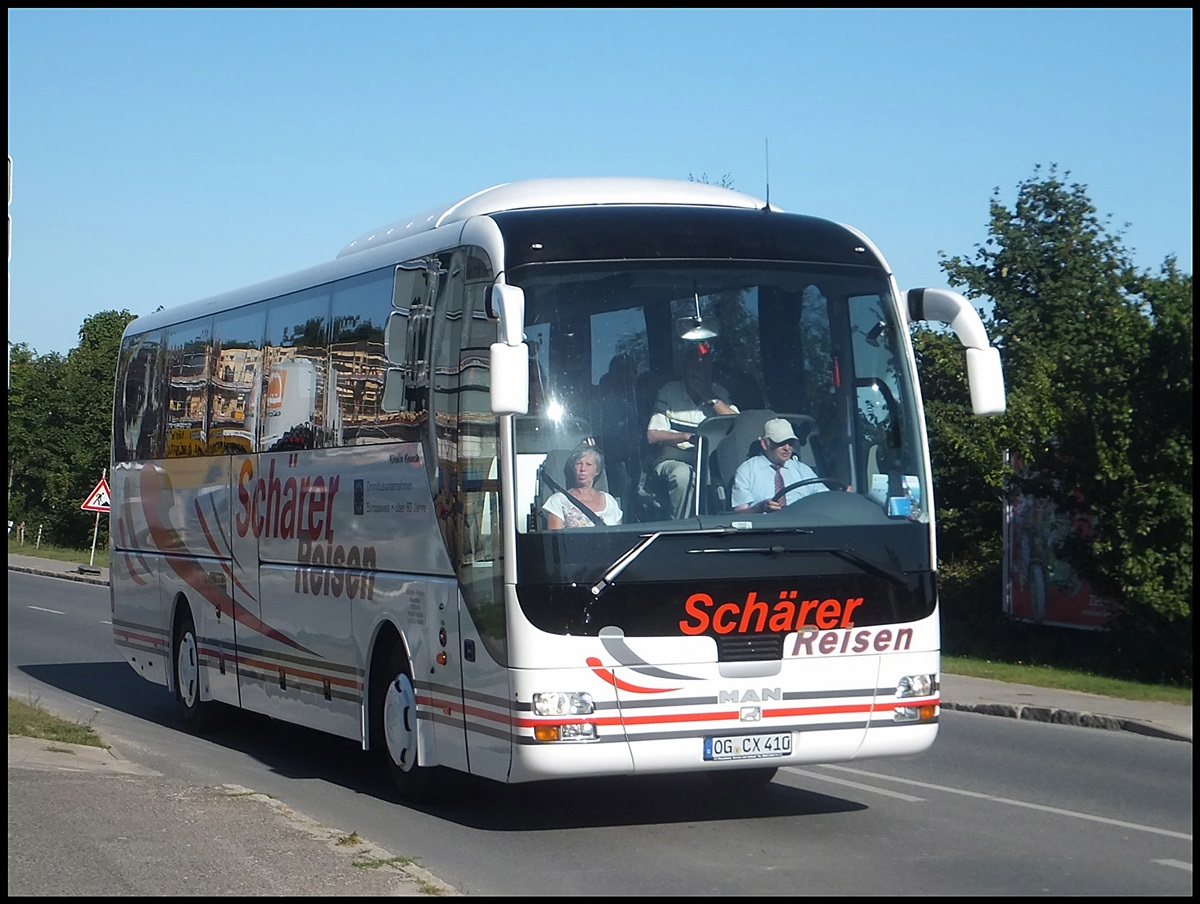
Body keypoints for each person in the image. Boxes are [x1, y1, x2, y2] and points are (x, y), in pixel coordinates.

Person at [645, 341, 738, 518]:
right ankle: (682, 529)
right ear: (686, 368)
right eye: (695, 366)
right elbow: (652, 435)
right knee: (683, 476)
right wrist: (687, 436)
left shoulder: (719, 393)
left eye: (705, 366)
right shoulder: (669, 391)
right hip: (674, 458)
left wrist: (709, 396)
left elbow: (737, 424)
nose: (700, 371)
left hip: (711, 462)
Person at [730, 418, 829, 514]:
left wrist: (841, 494)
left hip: (802, 525)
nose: (787, 448)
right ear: (764, 443)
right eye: (781, 443)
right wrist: (759, 508)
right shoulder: (747, 471)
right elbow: (739, 514)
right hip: (765, 527)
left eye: (790, 443)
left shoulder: (803, 470)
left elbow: (824, 499)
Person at [542, 443, 623, 529]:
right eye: (578, 463)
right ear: (573, 468)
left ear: (597, 471)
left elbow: (619, 537)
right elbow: (555, 540)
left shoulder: (610, 501)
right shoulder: (558, 501)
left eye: (588, 464)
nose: (583, 469)